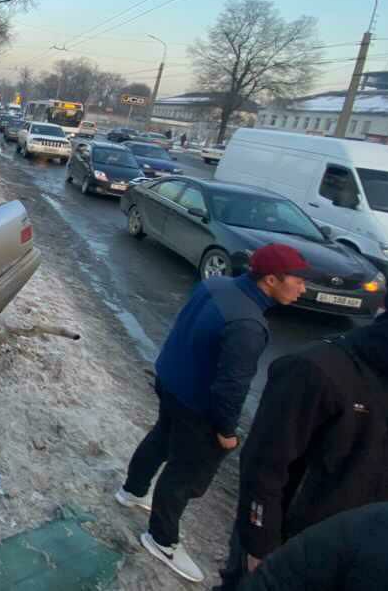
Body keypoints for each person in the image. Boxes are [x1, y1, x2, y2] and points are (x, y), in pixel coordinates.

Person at [114, 244, 309, 584]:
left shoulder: (217, 285)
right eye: (298, 281)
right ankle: (161, 539)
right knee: (186, 474)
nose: (303, 289)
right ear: (271, 280)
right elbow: (230, 388)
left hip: (170, 378)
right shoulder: (248, 324)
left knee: (161, 439)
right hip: (197, 406)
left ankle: (132, 491)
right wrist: (226, 431)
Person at [216, 280, 388, 589]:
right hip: (289, 551)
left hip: (361, 554)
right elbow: (263, 468)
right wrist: (260, 546)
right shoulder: (314, 370)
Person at [233, 502, 388, 591]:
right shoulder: (383, 523)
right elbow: (266, 464)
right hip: (286, 542)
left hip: (322, 539)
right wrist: (259, 542)